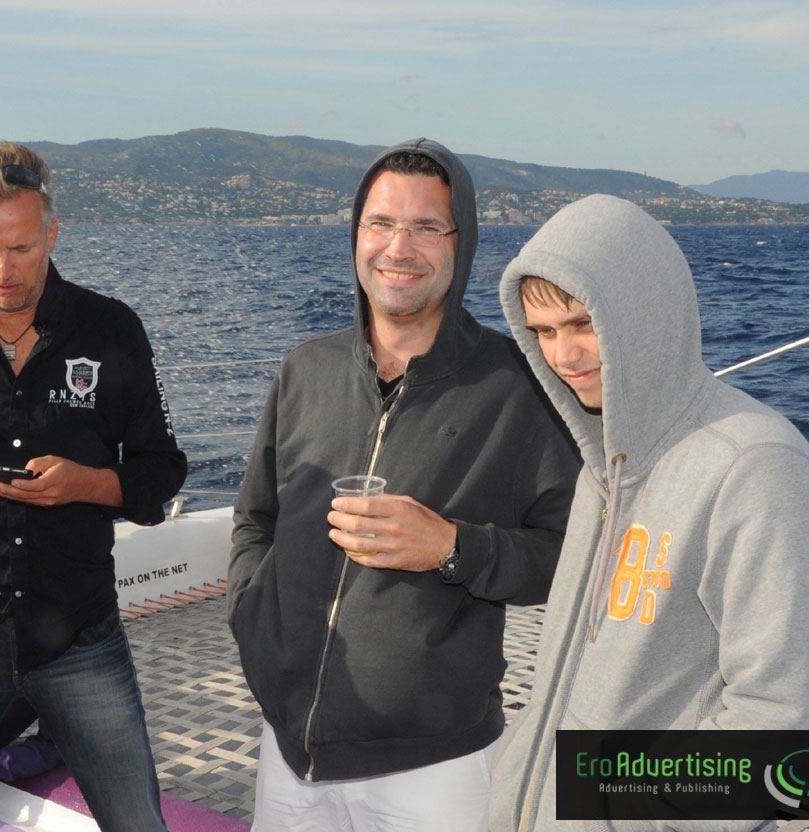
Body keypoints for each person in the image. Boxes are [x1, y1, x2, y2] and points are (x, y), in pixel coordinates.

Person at [227, 138, 579, 831]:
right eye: (381, 224)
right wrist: (252, 620)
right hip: (288, 750)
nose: (399, 247)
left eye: (426, 227)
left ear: (462, 242)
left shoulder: (519, 389)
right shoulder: (306, 369)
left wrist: (451, 547)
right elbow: (254, 517)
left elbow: (567, 555)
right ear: (356, 234)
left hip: (432, 769)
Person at [489, 194, 809, 830]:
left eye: (582, 323)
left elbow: (789, 719)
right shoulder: (604, 466)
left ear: (641, 314)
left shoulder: (757, 464)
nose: (562, 356)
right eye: (543, 332)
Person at [0, 141, 186, 832]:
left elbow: (161, 471)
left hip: (79, 641)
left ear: (53, 234)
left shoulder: (112, 328)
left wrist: (88, 483)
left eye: (22, 249)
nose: (3, 271)